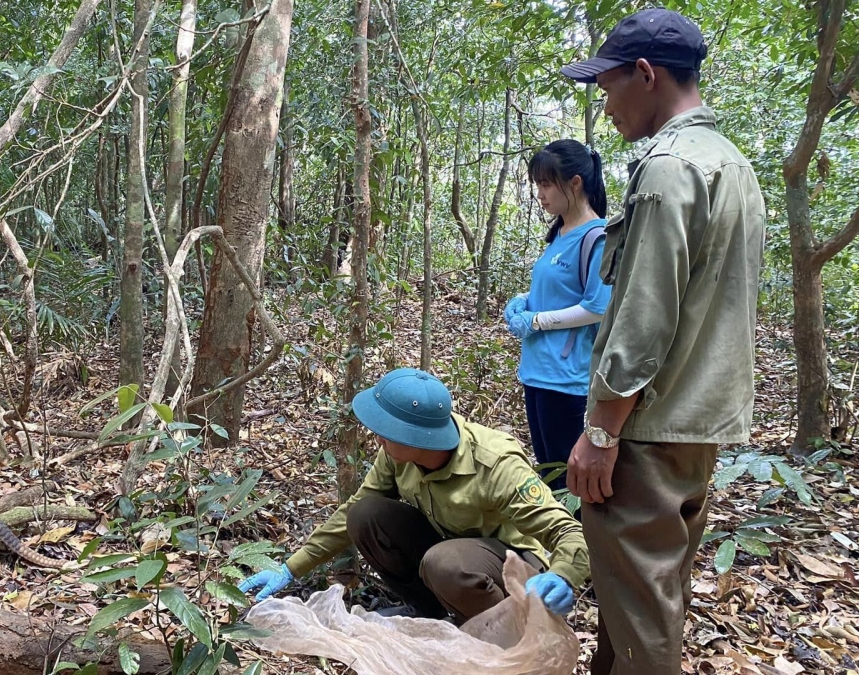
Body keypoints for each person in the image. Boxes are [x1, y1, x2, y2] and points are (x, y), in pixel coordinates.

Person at [559, 8, 766, 675]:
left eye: (609, 87)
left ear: (646, 74)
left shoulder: (669, 169)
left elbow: (645, 317)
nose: (606, 105)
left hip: (646, 430)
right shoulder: (731, 163)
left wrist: (601, 431)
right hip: (698, 423)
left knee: (643, 616)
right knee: (646, 595)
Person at [236, 368, 589, 625]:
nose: (377, 437)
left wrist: (562, 576)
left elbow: (570, 533)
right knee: (366, 515)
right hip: (448, 550)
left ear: (416, 436)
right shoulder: (396, 453)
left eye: (386, 431)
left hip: (506, 563)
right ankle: (431, 614)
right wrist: (290, 567)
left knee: (445, 562)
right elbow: (353, 512)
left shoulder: (495, 464)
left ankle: (502, 630)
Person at [504, 139, 614, 495]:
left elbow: (596, 307)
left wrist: (536, 321)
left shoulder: (598, 237)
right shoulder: (560, 233)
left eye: (546, 184)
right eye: (537, 184)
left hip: (565, 378)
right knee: (549, 474)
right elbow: (556, 289)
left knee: (569, 483)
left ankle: (577, 533)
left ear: (575, 183)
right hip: (537, 370)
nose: (539, 194)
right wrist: (523, 301)